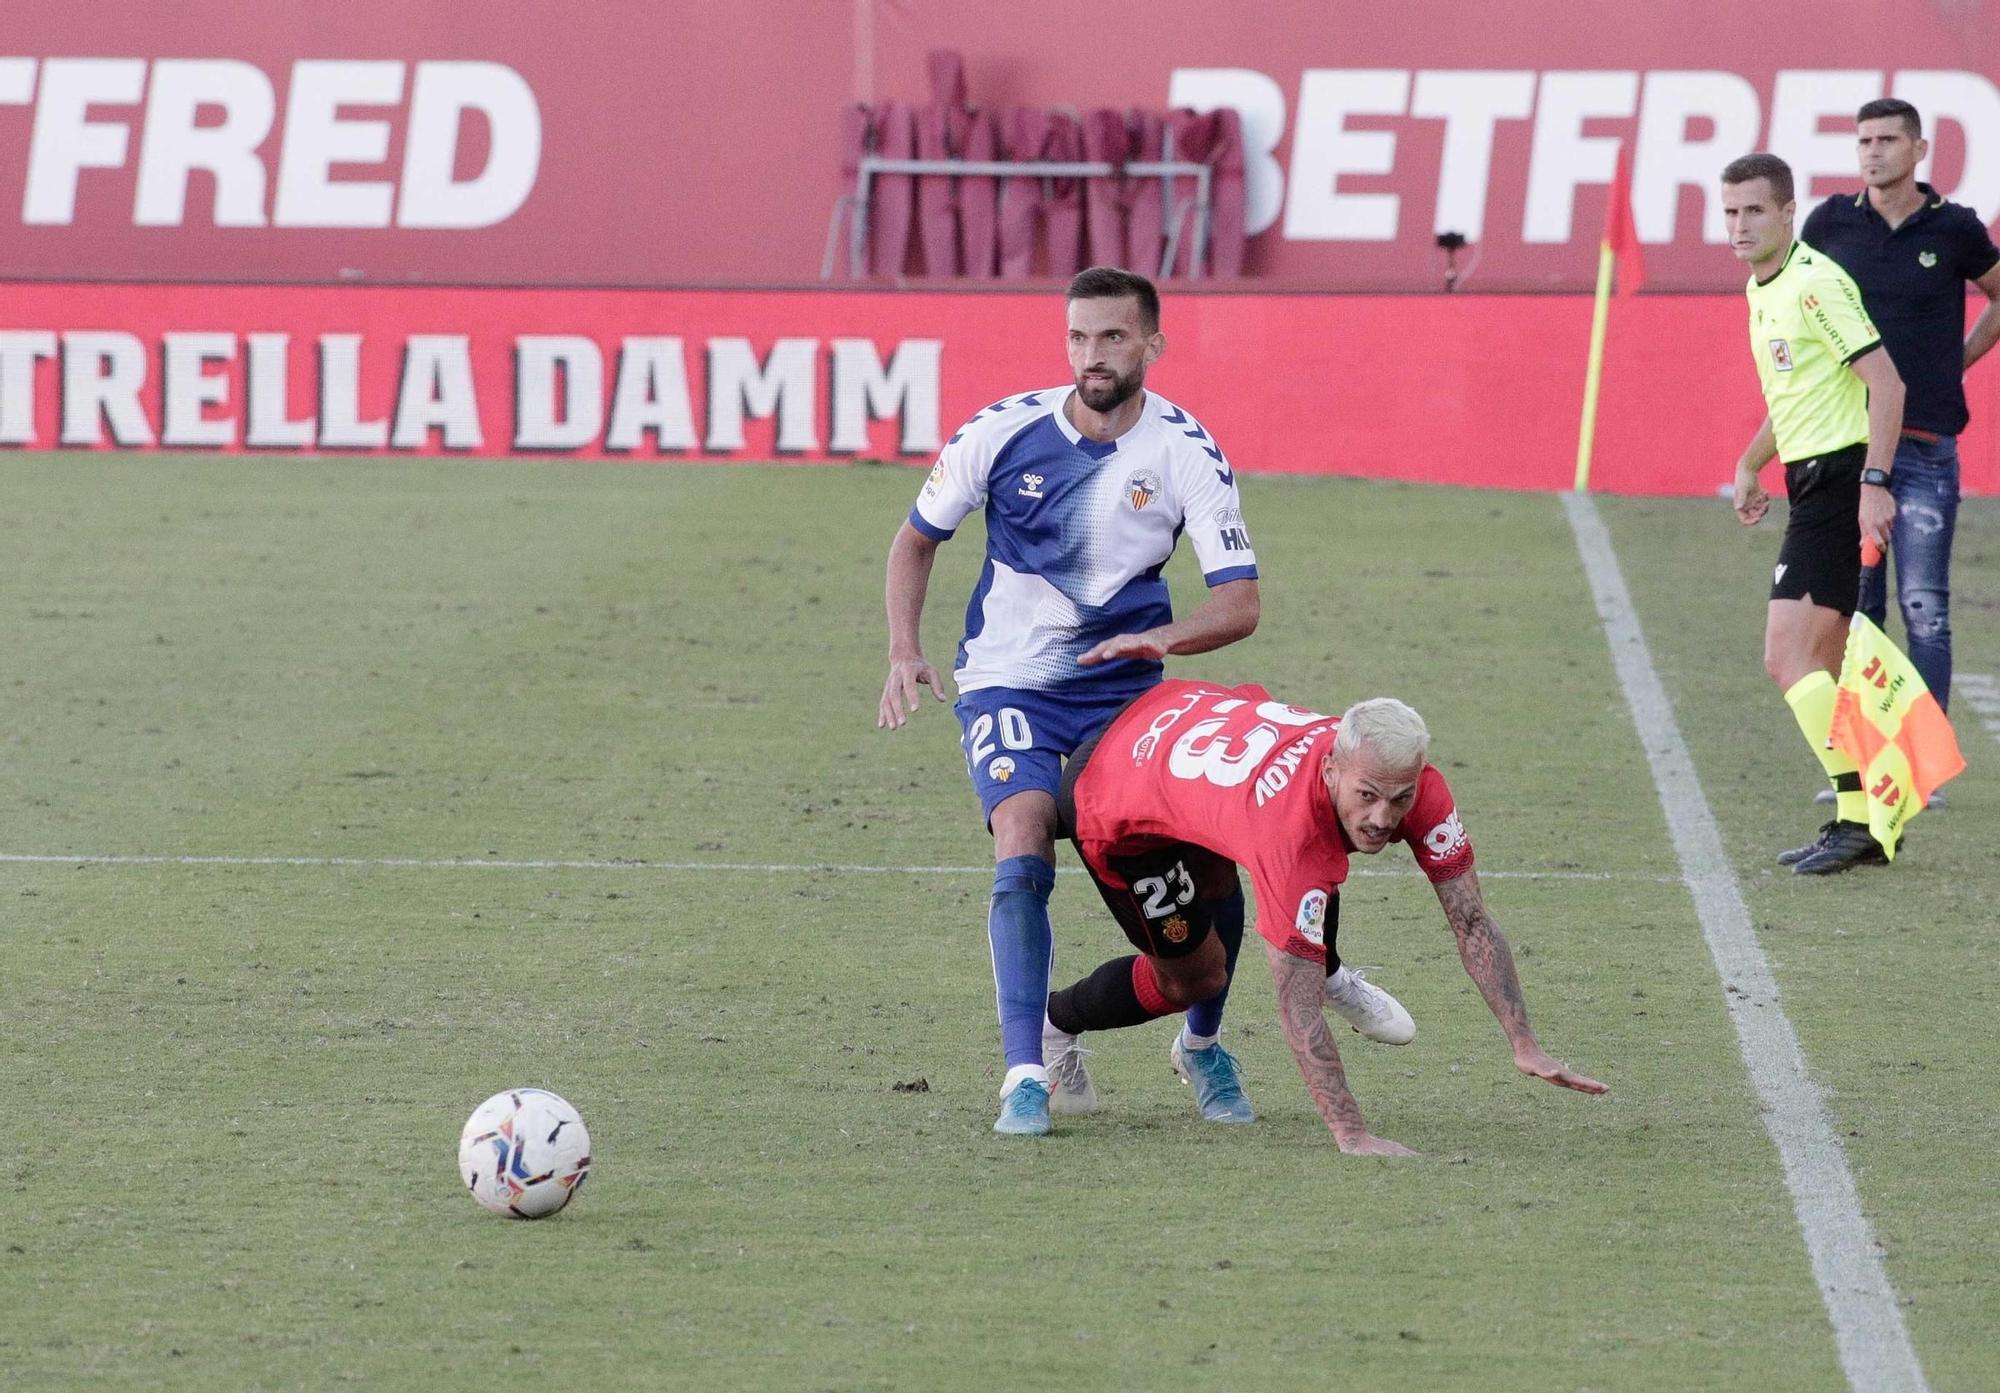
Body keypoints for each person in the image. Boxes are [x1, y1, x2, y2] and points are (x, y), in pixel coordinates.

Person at [878, 266, 1287, 1137]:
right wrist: (904, 649)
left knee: (1207, 882)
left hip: (1125, 697)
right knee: (1022, 835)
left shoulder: (1185, 450)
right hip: (1008, 682)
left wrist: (1163, 642)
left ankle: (1202, 1042)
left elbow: (1240, 601)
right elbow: (915, 542)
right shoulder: (1001, 431)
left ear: (1151, 344)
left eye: (1110, 337)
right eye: (1076, 337)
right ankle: (1025, 1072)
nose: (1090, 356)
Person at [1042, 679, 1606, 1154]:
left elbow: (1473, 922)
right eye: (1367, 796)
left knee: (1246, 881)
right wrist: (1350, 1131)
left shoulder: (1409, 785)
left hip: (1181, 725)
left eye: (1400, 799)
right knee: (1196, 978)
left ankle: (1316, 980)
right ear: (1332, 769)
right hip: (1115, 791)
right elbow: (1294, 1000)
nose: (1383, 818)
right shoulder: (1290, 836)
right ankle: (1056, 1025)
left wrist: (1524, 1042)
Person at [1798, 97, 2000, 814]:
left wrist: (1959, 359)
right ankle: (1861, 765)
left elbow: (1997, 294)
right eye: (1864, 140)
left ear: (1919, 150)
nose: (1873, 151)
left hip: (1925, 447)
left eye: (1888, 140)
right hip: (1848, 445)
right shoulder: (1829, 224)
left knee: (1927, 606)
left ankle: (1922, 770)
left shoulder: (1955, 229)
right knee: (1855, 610)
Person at [1722, 153, 1908, 875]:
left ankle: (1860, 810)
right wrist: (1749, 462)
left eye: (1754, 212)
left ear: (1787, 212)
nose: (1739, 226)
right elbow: (1794, 394)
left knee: (1785, 656)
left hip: (1839, 485)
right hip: (1809, 481)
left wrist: (1875, 482)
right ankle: (1864, 819)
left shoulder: (1816, 285)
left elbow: (1886, 386)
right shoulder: (1760, 288)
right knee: (1827, 663)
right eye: (1731, 212)